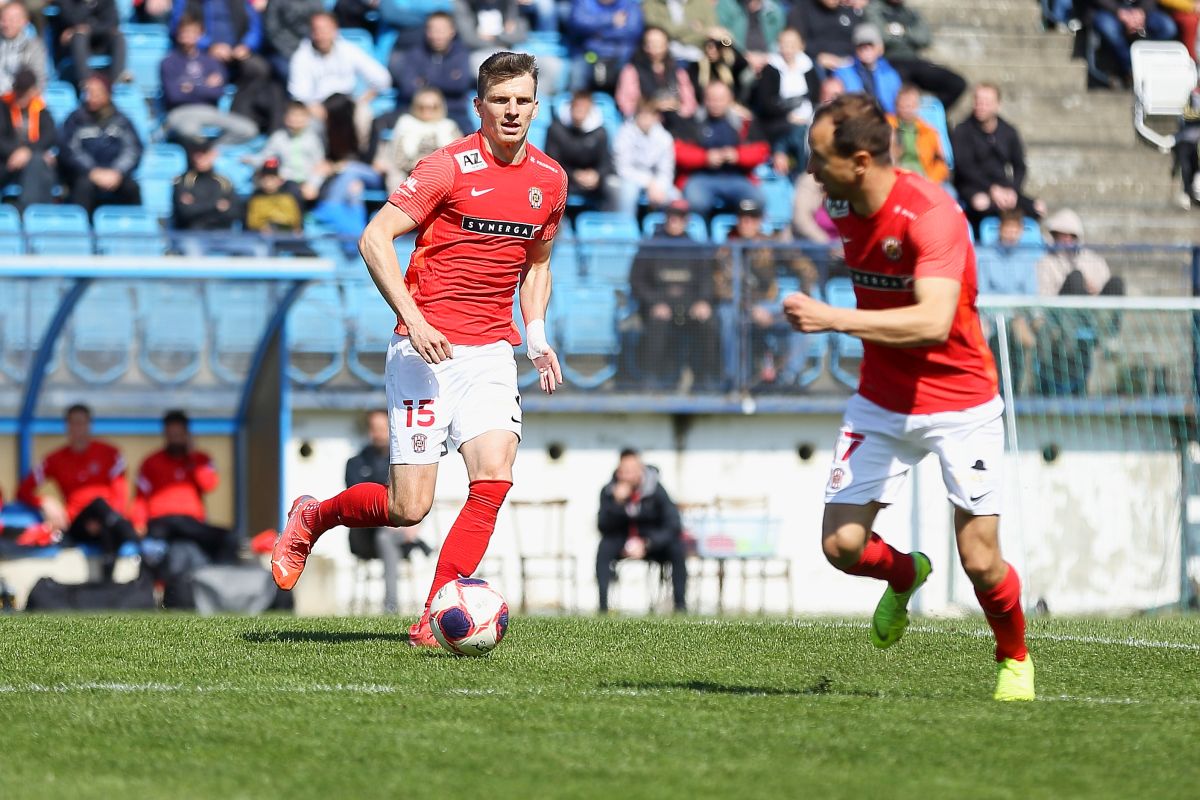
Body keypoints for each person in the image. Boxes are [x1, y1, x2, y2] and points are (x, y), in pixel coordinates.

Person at [270, 52, 568, 650]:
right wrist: (414, 318)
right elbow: (374, 238)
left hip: (491, 351)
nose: (512, 111)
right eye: (500, 100)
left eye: (522, 101)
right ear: (479, 106)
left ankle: (434, 616)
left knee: (495, 475)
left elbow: (537, 263)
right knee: (409, 508)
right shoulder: (445, 168)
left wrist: (535, 335)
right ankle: (314, 516)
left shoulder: (550, 179)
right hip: (424, 351)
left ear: (536, 107)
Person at [782, 93, 1034, 700]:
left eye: (819, 157)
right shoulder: (839, 201)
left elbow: (932, 322)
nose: (809, 168)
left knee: (980, 561)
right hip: (882, 399)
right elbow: (799, 209)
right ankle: (905, 574)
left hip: (962, 402)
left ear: (860, 162)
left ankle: (1014, 657)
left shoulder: (931, 215)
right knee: (841, 546)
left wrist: (833, 318)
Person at [17, 403, 141, 582]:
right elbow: (23, 490)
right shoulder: (55, 459)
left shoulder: (110, 453)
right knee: (99, 504)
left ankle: (107, 584)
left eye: (81, 423)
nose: (78, 428)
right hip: (77, 524)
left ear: (89, 425)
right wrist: (44, 501)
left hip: (106, 521)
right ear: (67, 427)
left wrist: (105, 519)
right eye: (73, 423)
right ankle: (133, 539)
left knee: (104, 517)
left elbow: (120, 493)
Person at [345, 409, 434, 614]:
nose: (379, 433)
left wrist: (415, 525)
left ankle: (392, 606)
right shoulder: (355, 464)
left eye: (383, 428)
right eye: (375, 428)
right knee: (384, 536)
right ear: (369, 431)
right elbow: (356, 503)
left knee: (386, 537)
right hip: (364, 536)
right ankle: (391, 606)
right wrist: (387, 519)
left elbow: (417, 498)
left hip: (398, 534)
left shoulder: (403, 464)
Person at [629, 198, 721, 390]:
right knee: (657, 322)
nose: (675, 220)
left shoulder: (696, 248)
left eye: (680, 216)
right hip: (658, 306)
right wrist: (654, 302)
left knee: (709, 322)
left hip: (689, 306)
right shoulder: (650, 246)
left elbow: (707, 280)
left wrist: (703, 301)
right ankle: (652, 379)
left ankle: (705, 378)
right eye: (672, 215)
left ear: (687, 219)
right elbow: (637, 282)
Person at [1032, 208, 1123, 396]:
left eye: (1070, 236)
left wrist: (1094, 291)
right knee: (1075, 278)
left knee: (1116, 283)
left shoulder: (1093, 260)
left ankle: (1110, 338)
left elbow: (1104, 285)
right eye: (1061, 235)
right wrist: (1077, 283)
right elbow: (1044, 297)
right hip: (1062, 317)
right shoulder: (1045, 263)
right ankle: (1073, 338)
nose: (1066, 240)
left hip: (1093, 315)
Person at [132, 410, 239, 565]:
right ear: (165, 434)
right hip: (161, 523)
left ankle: (217, 576)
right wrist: (138, 522)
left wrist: (192, 457)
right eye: (171, 434)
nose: (175, 438)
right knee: (152, 546)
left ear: (187, 434)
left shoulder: (201, 459)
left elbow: (209, 485)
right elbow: (140, 496)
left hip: (191, 523)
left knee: (229, 538)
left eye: (179, 434)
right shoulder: (151, 462)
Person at [596, 448, 688, 614]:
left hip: (650, 542)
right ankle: (603, 608)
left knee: (676, 548)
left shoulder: (657, 491)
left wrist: (648, 543)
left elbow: (673, 525)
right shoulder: (609, 491)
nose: (628, 476)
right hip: (621, 540)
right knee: (604, 547)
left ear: (641, 470)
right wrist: (617, 504)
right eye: (624, 471)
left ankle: (680, 606)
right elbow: (603, 526)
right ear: (618, 472)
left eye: (632, 471)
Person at [170, 0, 282, 134]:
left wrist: (246, 46)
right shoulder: (193, 3)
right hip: (205, 53)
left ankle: (240, 117)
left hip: (235, 52)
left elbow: (254, 27)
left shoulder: (241, 2)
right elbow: (182, 29)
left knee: (258, 69)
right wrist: (210, 45)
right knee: (211, 72)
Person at [288, 11, 392, 153]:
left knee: (364, 115)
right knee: (309, 125)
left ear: (335, 29)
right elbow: (300, 94)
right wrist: (317, 110)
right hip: (319, 107)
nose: (321, 35)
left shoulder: (348, 50)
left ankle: (361, 156)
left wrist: (366, 97)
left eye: (325, 29)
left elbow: (382, 78)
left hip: (349, 104)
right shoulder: (302, 57)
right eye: (317, 30)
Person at [951, 83, 1045, 236]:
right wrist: (991, 189)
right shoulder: (962, 131)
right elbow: (965, 168)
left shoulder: (1008, 131)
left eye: (986, 102)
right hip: (972, 186)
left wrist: (1013, 190)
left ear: (997, 105)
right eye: (978, 101)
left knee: (1038, 208)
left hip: (1003, 186)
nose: (981, 106)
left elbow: (1020, 167)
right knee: (981, 204)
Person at [675, 81, 770, 218]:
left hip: (736, 177)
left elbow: (761, 150)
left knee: (756, 201)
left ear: (730, 99)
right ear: (704, 99)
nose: (716, 104)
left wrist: (737, 156)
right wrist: (705, 158)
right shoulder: (692, 122)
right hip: (701, 177)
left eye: (720, 99)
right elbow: (678, 151)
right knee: (696, 203)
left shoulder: (743, 122)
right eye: (712, 99)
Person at [161, 13, 259, 146]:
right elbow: (174, 96)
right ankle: (201, 152)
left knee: (248, 130)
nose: (188, 36)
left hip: (210, 111)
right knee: (189, 131)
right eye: (184, 32)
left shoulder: (211, 61)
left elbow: (218, 92)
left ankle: (212, 150)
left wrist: (190, 87)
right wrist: (204, 86)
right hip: (181, 112)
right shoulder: (169, 62)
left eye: (192, 32)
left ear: (200, 34)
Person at [975, 209, 1040, 395]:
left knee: (1025, 337)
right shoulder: (983, 255)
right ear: (1000, 229)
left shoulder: (1027, 257)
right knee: (983, 334)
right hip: (990, 314)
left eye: (1015, 230)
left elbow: (1030, 294)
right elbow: (982, 291)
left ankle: (1018, 388)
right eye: (1008, 229)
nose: (1011, 234)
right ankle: (989, 388)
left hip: (1017, 315)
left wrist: (1030, 317)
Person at [59, 74, 142, 215]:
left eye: (96, 93)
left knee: (132, 188)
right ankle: (81, 226)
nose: (91, 97)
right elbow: (69, 150)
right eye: (88, 92)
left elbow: (133, 150)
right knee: (82, 186)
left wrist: (117, 172)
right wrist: (92, 171)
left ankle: (132, 226)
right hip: (86, 175)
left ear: (107, 94)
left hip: (115, 175)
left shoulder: (121, 121)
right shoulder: (75, 120)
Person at [865, 0, 966, 112]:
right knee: (893, 91)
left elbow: (925, 38)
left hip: (914, 61)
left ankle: (927, 115)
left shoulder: (911, 12)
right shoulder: (874, 9)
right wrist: (909, 36)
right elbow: (882, 37)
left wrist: (900, 31)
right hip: (889, 61)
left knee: (956, 83)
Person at [389, 11, 475, 135]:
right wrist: (447, 79)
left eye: (441, 30)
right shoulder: (414, 54)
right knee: (381, 123)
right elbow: (407, 88)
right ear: (427, 32)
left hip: (453, 111)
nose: (437, 35)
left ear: (452, 31)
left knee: (470, 138)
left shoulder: (462, 54)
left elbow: (460, 84)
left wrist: (425, 81)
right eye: (433, 30)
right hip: (417, 111)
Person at [751, 27, 820, 178]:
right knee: (798, 134)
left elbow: (815, 97)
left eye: (792, 45)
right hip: (779, 120)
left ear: (800, 46)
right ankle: (802, 174)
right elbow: (765, 102)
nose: (788, 49)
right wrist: (788, 116)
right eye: (784, 44)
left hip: (808, 117)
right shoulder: (771, 68)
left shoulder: (808, 67)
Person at [543, 89, 618, 212]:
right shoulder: (556, 129)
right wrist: (574, 175)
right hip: (565, 177)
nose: (579, 111)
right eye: (577, 106)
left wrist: (597, 175)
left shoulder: (600, 133)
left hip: (593, 182)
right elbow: (552, 162)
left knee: (613, 186)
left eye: (583, 108)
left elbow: (606, 163)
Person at [614, 25, 698, 131]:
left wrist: (676, 107)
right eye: (651, 43)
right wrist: (652, 106)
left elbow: (690, 103)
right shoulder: (631, 71)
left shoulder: (678, 71)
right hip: (644, 125)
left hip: (676, 123)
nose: (655, 47)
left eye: (659, 43)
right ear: (644, 45)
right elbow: (626, 105)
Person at [0, 68, 58, 208]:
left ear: (33, 91)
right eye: (18, 90)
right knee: (38, 161)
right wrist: (16, 152)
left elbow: (49, 137)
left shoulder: (42, 111)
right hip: (6, 161)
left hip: (32, 162)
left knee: (39, 163)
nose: (20, 95)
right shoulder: (3, 107)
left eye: (24, 91)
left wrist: (27, 151)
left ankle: (30, 211)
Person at [612, 100, 680, 218]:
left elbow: (666, 171)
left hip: (656, 182)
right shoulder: (624, 134)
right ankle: (626, 225)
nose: (646, 119)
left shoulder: (664, 138)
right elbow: (622, 169)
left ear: (656, 117)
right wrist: (648, 183)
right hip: (629, 179)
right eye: (642, 115)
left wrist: (658, 186)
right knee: (628, 193)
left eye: (649, 115)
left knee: (676, 198)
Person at [1088, 0, 1178, 85]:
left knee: (1168, 28)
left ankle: (1146, 65)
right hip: (1109, 10)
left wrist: (1141, 12)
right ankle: (1131, 69)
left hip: (1143, 10)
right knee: (1108, 28)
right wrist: (1118, 11)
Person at [53, 0, 127, 85]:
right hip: (72, 47)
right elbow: (71, 19)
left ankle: (116, 82)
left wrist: (89, 28)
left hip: (100, 41)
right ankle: (85, 83)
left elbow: (113, 22)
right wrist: (87, 4)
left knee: (118, 37)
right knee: (79, 36)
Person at [833, 24, 903, 114]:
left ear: (880, 48)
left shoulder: (890, 73)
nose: (865, 49)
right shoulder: (843, 73)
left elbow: (899, 103)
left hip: (887, 118)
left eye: (870, 45)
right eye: (861, 45)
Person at [888, 83, 949, 184]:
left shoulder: (929, 132)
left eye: (910, 106)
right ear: (896, 106)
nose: (907, 110)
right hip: (896, 176)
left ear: (917, 106)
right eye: (903, 106)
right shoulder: (888, 126)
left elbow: (941, 163)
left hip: (924, 178)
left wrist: (931, 180)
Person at [0, 2, 48, 95]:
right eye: (3, 20)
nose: (7, 24)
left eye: (12, 20)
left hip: (21, 97)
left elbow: (39, 81)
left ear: (24, 22)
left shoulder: (34, 46)